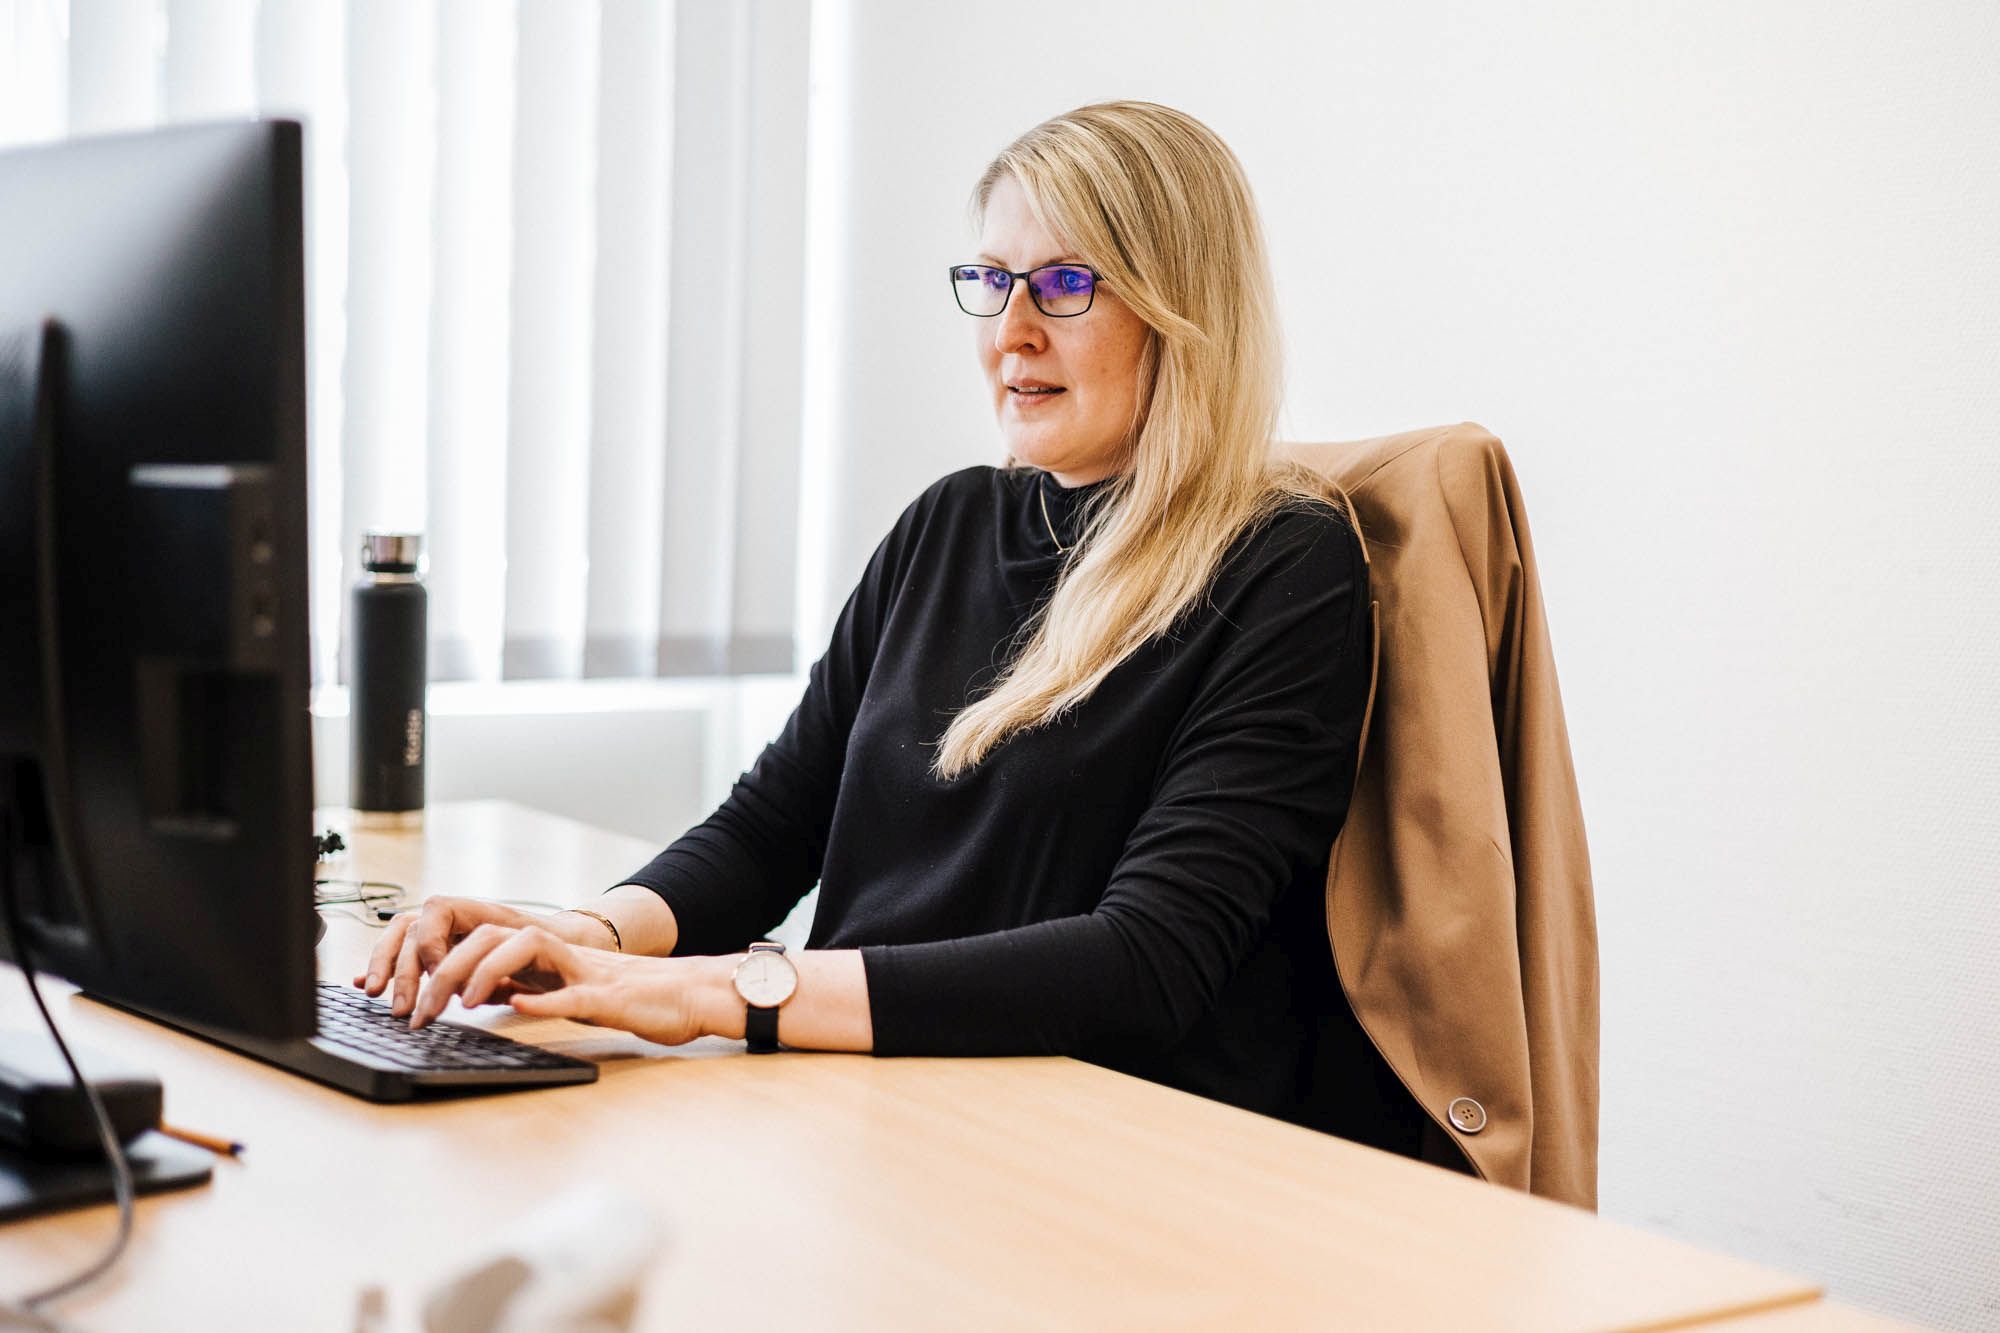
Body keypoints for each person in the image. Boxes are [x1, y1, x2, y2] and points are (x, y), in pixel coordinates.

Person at [357, 100, 1430, 1157]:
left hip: (1090, 1151)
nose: (1009, 332)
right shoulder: (950, 523)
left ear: (1183, 308)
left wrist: (706, 993)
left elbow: (1143, 964)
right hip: (869, 1111)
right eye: (993, 281)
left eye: (1065, 284)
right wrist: (582, 936)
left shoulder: (1284, 567)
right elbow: (772, 828)